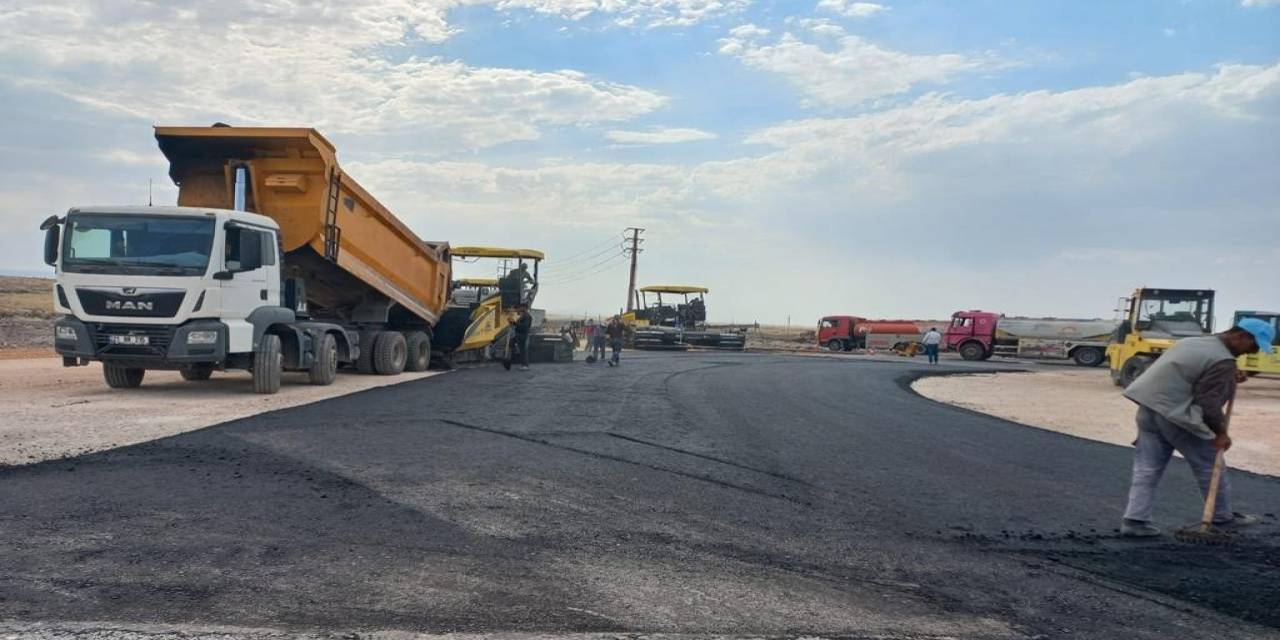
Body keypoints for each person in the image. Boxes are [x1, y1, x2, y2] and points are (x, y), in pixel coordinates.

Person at [1118, 318, 1274, 537]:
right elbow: (1208, 403)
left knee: (1147, 468)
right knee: (1211, 465)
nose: (1252, 352)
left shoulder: (1192, 342)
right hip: (1176, 415)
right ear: (1240, 336)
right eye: (1253, 346)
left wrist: (1229, 377)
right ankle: (1221, 518)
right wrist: (1220, 433)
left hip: (1148, 410)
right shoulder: (1222, 360)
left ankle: (1134, 521)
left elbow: (1190, 373)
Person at [504, 305, 533, 371]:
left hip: (523, 335)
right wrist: (513, 323)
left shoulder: (527, 316)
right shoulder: (523, 316)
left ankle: (525, 365)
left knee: (523, 350)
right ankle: (509, 360)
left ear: (524, 308)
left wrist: (515, 323)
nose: (519, 309)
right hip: (519, 334)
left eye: (520, 307)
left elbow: (525, 326)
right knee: (511, 345)